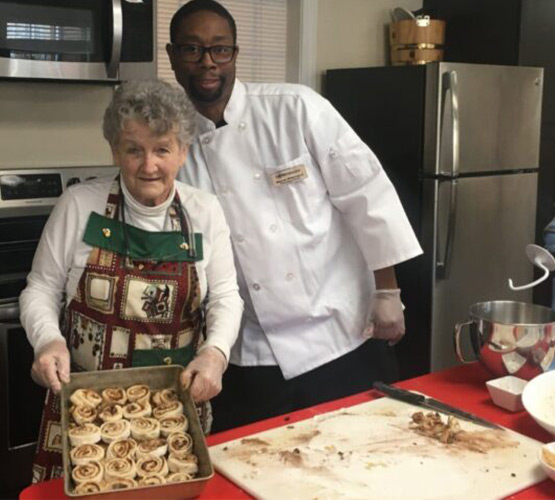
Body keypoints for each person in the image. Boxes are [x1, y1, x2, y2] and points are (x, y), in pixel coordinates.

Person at [166, 0, 423, 432]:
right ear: (173, 57)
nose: (208, 62)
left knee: (364, 458)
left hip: (339, 336)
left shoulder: (295, 108)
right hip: (246, 353)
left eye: (220, 49)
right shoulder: (172, 144)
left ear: (235, 54)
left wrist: (387, 293)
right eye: (192, 50)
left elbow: (367, 196)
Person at [19, 79, 243, 482]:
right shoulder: (79, 205)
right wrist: (47, 340)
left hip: (176, 410)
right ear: (114, 151)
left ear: (184, 152)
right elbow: (42, 288)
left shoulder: (204, 211)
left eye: (162, 149)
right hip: (87, 407)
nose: (148, 165)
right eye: (133, 149)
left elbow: (226, 295)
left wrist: (216, 354)